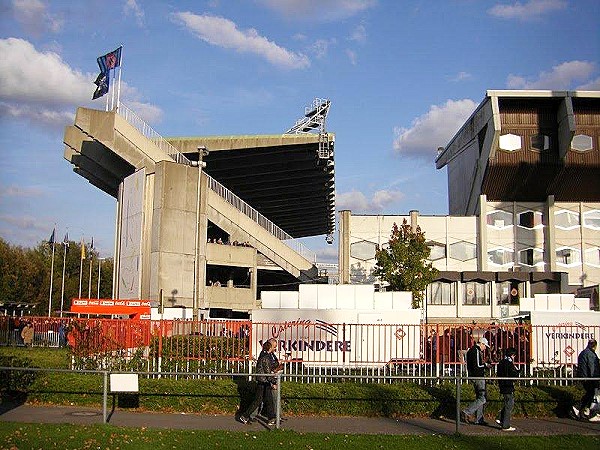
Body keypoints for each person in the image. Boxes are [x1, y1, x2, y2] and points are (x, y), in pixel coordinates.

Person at [238, 341, 277, 426]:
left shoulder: (263, 355)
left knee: (266, 400)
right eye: (273, 347)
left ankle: (271, 418)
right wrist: (273, 382)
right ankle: (245, 416)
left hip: (263, 381)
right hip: (263, 381)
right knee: (260, 400)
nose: (275, 349)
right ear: (270, 348)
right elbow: (267, 372)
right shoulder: (266, 357)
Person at [461, 336, 491, 425]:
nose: (485, 348)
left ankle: (479, 419)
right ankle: (467, 411)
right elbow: (477, 366)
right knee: (483, 398)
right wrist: (486, 365)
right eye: (485, 346)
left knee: (479, 397)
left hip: (473, 376)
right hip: (478, 376)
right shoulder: (476, 351)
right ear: (481, 344)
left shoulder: (471, 351)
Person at [574, 339, 600, 420]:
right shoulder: (590, 354)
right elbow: (592, 367)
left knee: (590, 393)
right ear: (595, 346)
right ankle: (580, 408)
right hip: (588, 377)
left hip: (584, 376)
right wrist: (595, 379)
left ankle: (582, 410)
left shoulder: (584, 352)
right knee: (590, 393)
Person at [496, 347, 519, 431]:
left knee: (508, 403)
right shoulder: (509, 363)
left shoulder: (501, 362)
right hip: (508, 385)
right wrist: (517, 372)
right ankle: (505, 425)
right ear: (512, 355)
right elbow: (513, 375)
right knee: (510, 404)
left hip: (502, 385)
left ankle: (500, 418)